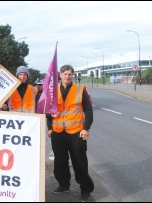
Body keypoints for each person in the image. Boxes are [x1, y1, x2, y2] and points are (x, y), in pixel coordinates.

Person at [46, 64, 94, 202]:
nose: (67, 76)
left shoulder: (81, 89)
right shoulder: (53, 91)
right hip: (58, 132)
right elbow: (49, 110)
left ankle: (85, 190)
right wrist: (49, 127)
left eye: (69, 74)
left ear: (72, 75)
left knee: (79, 162)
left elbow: (88, 110)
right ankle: (63, 185)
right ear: (60, 75)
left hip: (76, 132)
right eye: (64, 74)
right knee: (60, 161)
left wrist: (86, 128)